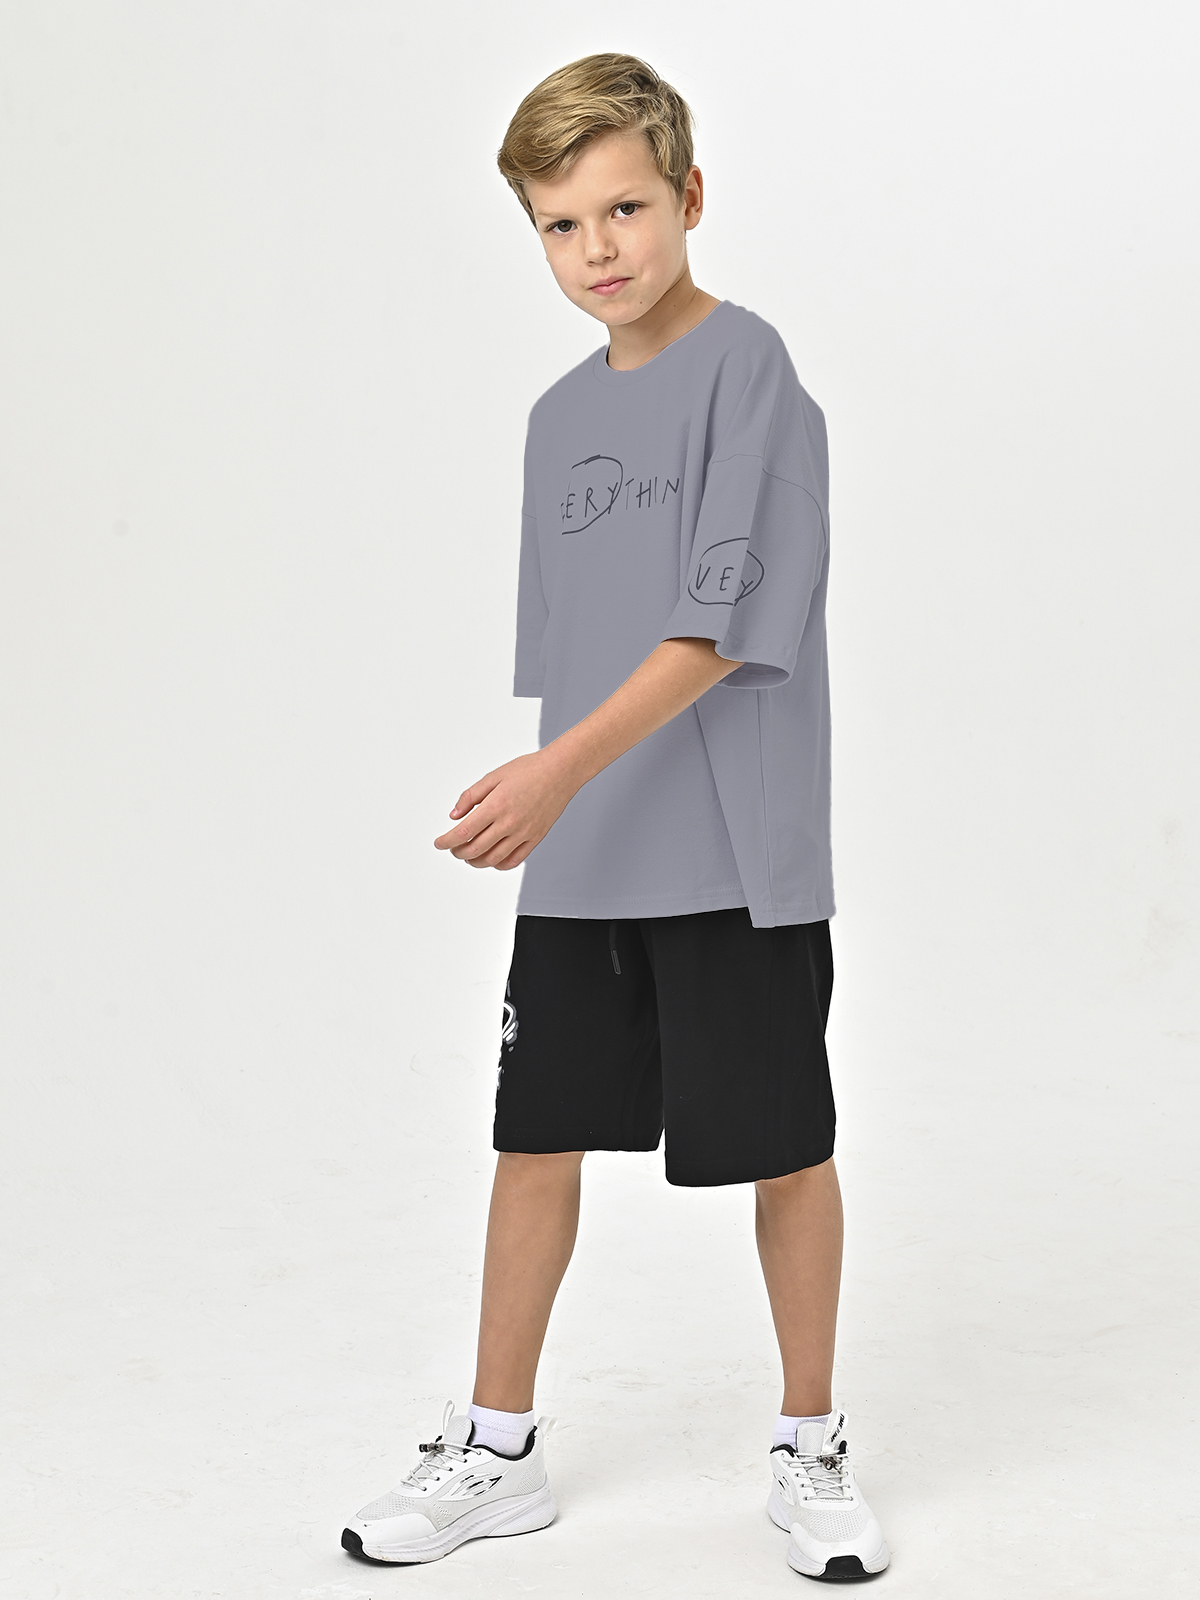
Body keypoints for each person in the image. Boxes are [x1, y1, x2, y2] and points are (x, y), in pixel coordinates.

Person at [341, 53, 890, 1583]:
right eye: (561, 223)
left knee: (785, 1149)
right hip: (583, 857)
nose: (599, 248)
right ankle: (495, 1448)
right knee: (534, 1143)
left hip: (735, 855)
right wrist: (556, 794)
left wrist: (551, 776)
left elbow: (717, 635)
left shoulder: (752, 370)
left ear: (690, 195)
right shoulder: (554, 420)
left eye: (627, 207)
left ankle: (811, 1443)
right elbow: (575, 654)